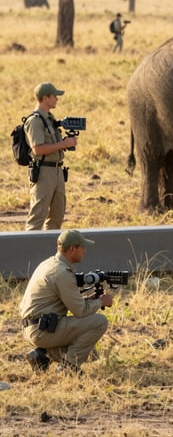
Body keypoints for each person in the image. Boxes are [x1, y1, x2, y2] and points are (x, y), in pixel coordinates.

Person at [19, 229, 113, 373]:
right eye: (82, 247)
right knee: (100, 322)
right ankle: (68, 368)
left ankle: (42, 355)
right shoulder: (62, 273)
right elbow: (80, 311)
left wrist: (90, 299)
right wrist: (101, 302)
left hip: (35, 327)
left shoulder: (49, 264)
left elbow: (66, 302)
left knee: (90, 355)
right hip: (42, 330)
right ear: (72, 249)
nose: (85, 251)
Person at [23, 82, 77, 231]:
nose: (57, 99)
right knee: (38, 216)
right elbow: (37, 149)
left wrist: (66, 143)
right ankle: (28, 245)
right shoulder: (35, 121)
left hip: (57, 171)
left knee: (57, 215)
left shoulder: (49, 119)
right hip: (44, 172)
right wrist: (63, 144)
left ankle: (49, 244)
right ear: (45, 98)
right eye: (54, 96)